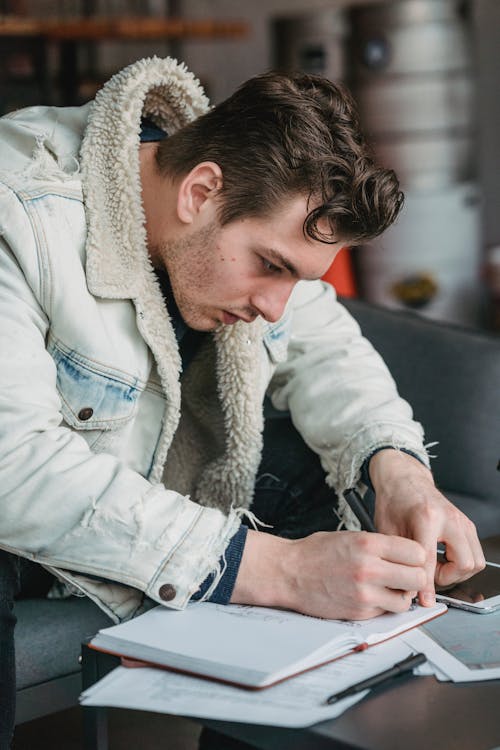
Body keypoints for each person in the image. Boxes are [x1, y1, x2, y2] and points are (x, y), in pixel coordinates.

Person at [0, 57, 484, 749]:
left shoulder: (249, 205)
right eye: (272, 267)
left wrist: (400, 471)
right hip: (15, 517)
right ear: (200, 192)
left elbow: (326, 349)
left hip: (140, 485)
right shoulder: (17, 205)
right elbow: (12, 468)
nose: (272, 307)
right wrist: (275, 570)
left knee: (334, 489)